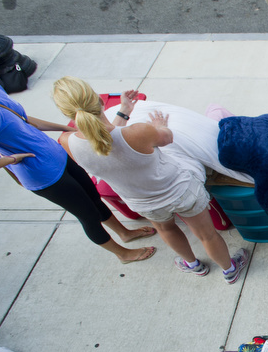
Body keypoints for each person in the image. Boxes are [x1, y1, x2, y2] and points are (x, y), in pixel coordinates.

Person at [51, 76, 249, 283]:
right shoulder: (138, 132)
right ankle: (229, 269)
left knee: (167, 229)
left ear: (68, 114)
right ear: (99, 102)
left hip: (142, 201)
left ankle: (193, 265)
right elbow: (167, 137)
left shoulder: (66, 142)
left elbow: (103, 142)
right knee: (207, 235)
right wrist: (159, 125)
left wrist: (123, 112)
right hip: (180, 190)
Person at [0, 52, 156, 264]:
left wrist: (64, 128)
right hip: (43, 175)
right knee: (88, 216)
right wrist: (12, 160)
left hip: (56, 154)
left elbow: (20, 118)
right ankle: (122, 254)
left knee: (94, 198)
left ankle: (124, 233)